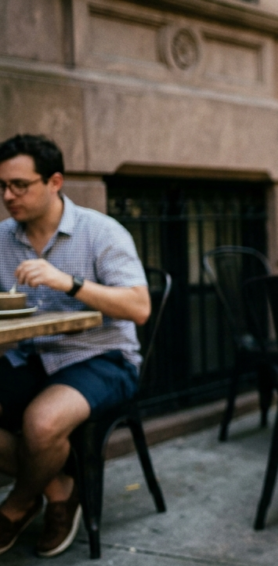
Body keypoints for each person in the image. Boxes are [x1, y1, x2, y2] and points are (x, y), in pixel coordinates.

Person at [0, 134, 150, 557]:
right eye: (2, 187)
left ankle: (15, 506)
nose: (8, 196)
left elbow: (139, 307)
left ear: (55, 181)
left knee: (42, 425)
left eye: (19, 185)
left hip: (102, 357)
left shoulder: (101, 232)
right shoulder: (2, 239)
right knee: (38, 429)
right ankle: (59, 484)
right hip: (29, 356)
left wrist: (70, 282)